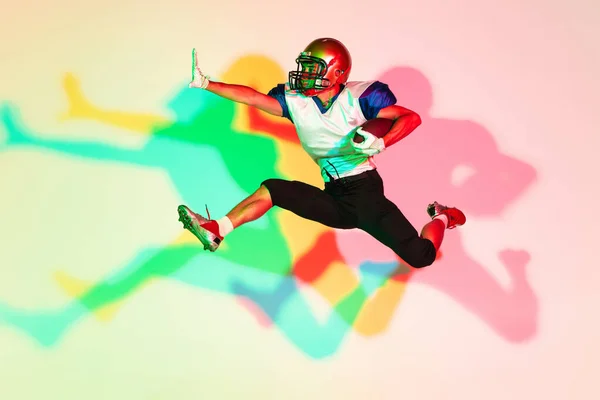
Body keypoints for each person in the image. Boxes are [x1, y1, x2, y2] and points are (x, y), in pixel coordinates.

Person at [177, 38, 465, 268]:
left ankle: (443, 216)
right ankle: (217, 228)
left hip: (364, 194)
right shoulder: (297, 101)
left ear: (336, 73)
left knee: (421, 256)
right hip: (334, 196)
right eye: (305, 67)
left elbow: (410, 117)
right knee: (274, 189)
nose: (304, 74)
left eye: (313, 68)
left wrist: (383, 142)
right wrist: (207, 84)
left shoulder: (358, 97)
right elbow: (254, 98)